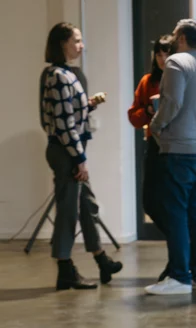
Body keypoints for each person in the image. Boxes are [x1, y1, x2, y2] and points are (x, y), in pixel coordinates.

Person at [40, 22, 123, 290]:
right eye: (76, 40)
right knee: (68, 211)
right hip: (67, 152)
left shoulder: (66, 74)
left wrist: (87, 105)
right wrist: (79, 159)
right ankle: (65, 269)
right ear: (62, 43)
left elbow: (68, 112)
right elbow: (63, 124)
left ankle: (101, 260)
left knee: (87, 205)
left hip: (70, 149)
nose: (81, 45)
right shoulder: (57, 75)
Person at [145, 19, 196, 295]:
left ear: (180, 37)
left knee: (176, 215)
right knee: (195, 215)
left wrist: (154, 125)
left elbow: (172, 102)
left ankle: (179, 277)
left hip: (177, 149)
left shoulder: (176, 63)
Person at [128, 34, 172, 280]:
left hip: (175, 147)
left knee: (173, 207)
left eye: (167, 53)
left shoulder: (179, 78)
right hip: (153, 146)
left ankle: (177, 260)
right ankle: (179, 249)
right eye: (159, 54)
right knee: (150, 202)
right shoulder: (148, 81)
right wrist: (147, 110)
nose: (163, 59)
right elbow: (134, 116)